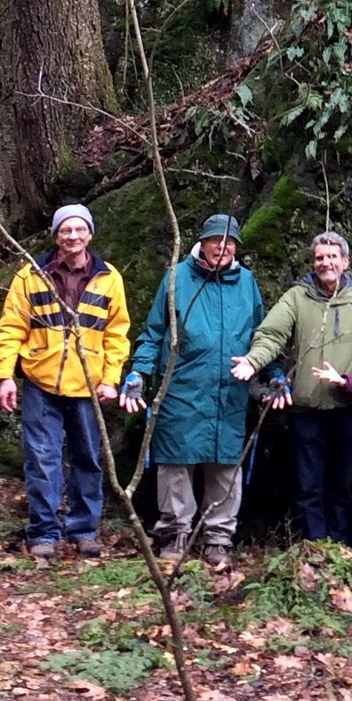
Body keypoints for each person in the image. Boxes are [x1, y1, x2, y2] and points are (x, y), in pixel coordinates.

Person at [233, 230, 352, 544]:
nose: (326, 263)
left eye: (332, 257)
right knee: (307, 484)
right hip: (305, 411)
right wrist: (253, 361)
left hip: (346, 410)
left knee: (341, 484)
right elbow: (272, 334)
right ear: (313, 263)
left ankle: (337, 548)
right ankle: (313, 547)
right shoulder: (297, 297)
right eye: (320, 258)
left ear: (345, 262)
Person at [120, 213, 263, 568]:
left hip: (229, 389)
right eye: (218, 240)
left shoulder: (247, 282)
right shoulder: (176, 278)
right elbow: (154, 333)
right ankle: (175, 533)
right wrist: (139, 372)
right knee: (175, 462)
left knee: (226, 464)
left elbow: (262, 335)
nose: (223, 247)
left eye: (230, 242)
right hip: (182, 386)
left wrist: (271, 373)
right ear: (203, 241)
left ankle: (218, 538)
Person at [0, 203, 130, 562]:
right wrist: (5, 374)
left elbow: (117, 334)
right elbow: (11, 329)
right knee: (42, 460)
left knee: (87, 459)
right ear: (55, 236)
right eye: (66, 230)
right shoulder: (30, 275)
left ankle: (84, 530)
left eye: (79, 229)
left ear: (90, 234)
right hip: (41, 383)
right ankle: (44, 532)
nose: (73, 236)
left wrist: (112, 379)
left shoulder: (109, 277)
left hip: (88, 386)